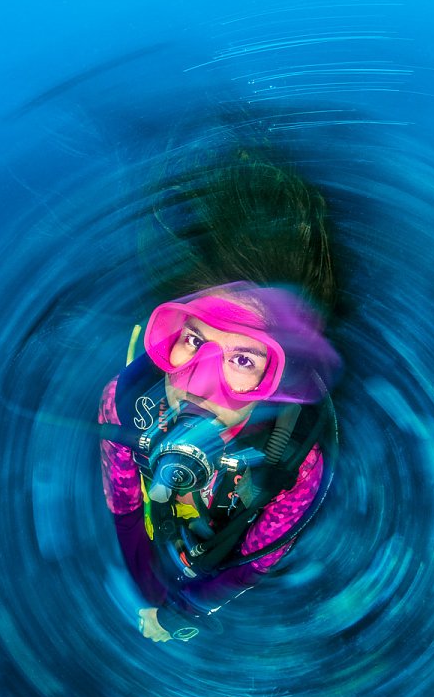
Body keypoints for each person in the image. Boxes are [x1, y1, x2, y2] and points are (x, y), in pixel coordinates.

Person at [98, 152, 341, 643]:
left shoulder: (297, 462)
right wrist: (149, 594)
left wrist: (181, 613)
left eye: (243, 361)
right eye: (193, 340)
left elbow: (261, 555)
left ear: (278, 379)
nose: (196, 384)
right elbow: (124, 505)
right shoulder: (123, 403)